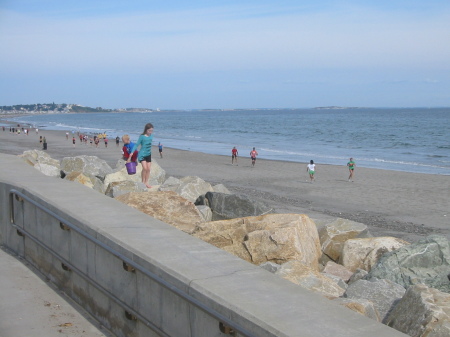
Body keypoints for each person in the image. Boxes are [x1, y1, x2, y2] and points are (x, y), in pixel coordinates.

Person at [126, 123, 154, 188]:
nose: (150, 132)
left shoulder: (151, 136)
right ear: (146, 130)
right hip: (142, 154)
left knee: (149, 169)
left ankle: (146, 182)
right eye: (149, 130)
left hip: (148, 154)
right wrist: (132, 152)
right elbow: (136, 144)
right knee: (145, 168)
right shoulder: (142, 136)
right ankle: (143, 182)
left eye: (151, 131)